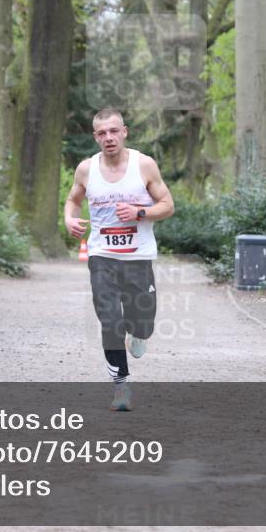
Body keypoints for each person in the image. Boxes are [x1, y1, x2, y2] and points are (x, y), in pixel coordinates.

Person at [63, 108, 174, 411]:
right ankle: (121, 388)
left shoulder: (144, 165)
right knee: (110, 322)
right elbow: (73, 200)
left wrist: (140, 213)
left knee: (143, 323)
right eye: (102, 133)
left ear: (124, 131)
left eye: (114, 131)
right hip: (102, 257)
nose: (108, 138)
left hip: (138, 257)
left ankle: (139, 334)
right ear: (95, 136)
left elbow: (167, 205)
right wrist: (69, 220)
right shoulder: (86, 169)